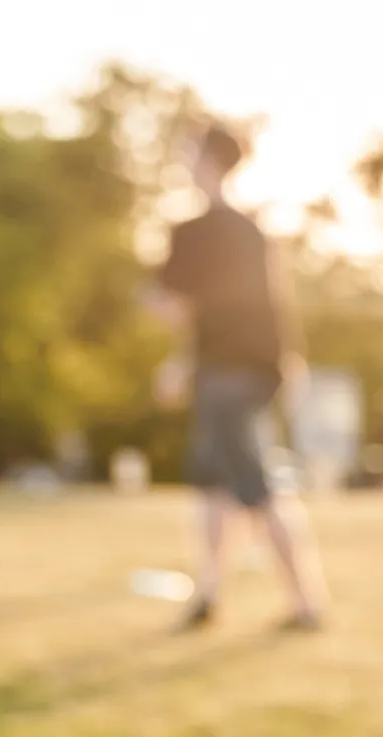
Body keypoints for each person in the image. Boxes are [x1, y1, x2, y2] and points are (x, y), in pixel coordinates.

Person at [147, 121, 326, 631]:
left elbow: (175, 305)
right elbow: (269, 303)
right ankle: (209, 593)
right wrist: (289, 362)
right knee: (212, 482)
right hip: (249, 369)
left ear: (206, 159)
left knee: (254, 485)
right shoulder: (250, 229)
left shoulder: (195, 231)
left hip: (227, 374)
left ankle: (307, 603)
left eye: (188, 151)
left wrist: (170, 339)